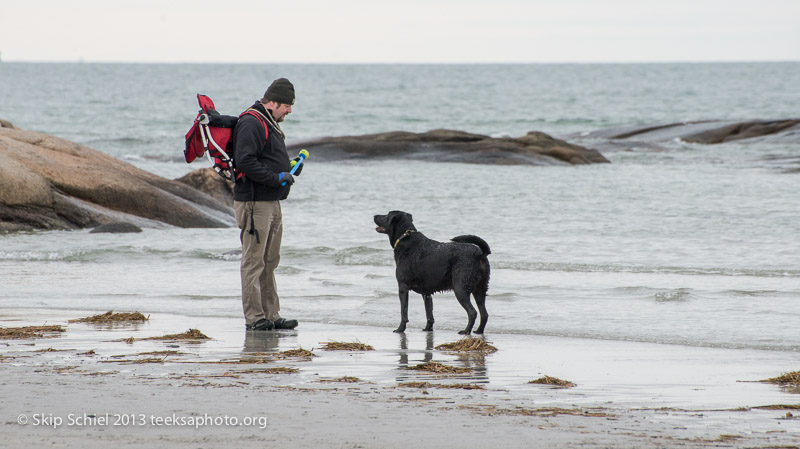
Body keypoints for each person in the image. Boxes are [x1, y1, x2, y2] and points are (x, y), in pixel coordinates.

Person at [233, 78, 302, 331]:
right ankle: (254, 318)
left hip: (272, 201)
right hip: (254, 204)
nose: (290, 110)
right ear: (272, 102)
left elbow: (265, 158)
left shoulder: (268, 121)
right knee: (254, 262)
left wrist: (289, 167)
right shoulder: (251, 121)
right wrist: (276, 177)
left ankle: (271, 315)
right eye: (287, 105)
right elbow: (245, 162)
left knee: (270, 261)